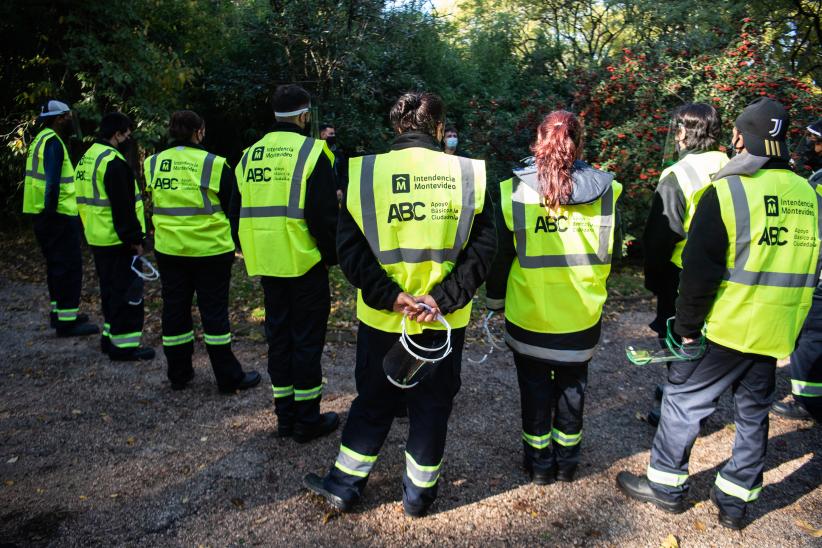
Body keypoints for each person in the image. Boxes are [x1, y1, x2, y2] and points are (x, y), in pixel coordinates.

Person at [617, 98, 821, 530]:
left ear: (742, 138)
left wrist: (686, 327)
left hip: (729, 323)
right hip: (777, 326)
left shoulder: (728, 190)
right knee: (753, 412)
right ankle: (735, 500)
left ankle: (666, 486)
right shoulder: (808, 193)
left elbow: (699, 272)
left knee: (682, 401)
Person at [303, 91, 497, 517]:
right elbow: (484, 251)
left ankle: (344, 486)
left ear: (396, 127)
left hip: (383, 318)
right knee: (433, 406)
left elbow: (348, 252)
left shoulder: (363, 172)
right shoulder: (470, 174)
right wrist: (442, 299)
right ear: (440, 128)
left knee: (373, 400)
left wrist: (391, 296)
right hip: (441, 322)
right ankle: (418, 498)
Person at [485, 110, 621, 485]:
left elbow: (500, 258)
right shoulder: (606, 190)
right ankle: (568, 462)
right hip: (581, 314)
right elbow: (614, 253)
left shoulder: (513, 190)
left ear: (538, 139)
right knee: (573, 388)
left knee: (533, 389)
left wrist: (495, 302)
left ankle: (539, 463)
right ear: (578, 141)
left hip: (530, 314)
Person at [230, 85, 339, 442]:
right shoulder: (313, 151)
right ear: (305, 116)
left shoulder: (249, 155)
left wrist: (248, 249)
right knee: (306, 341)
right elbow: (324, 217)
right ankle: (307, 420)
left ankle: (284, 417)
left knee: (279, 339)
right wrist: (330, 256)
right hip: (305, 263)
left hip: (268, 263)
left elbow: (235, 210)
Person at [143, 110, 261, 393]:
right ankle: (228, 377)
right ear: (199, 132)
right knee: (214, 314)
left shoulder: (152, 163)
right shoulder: (215, 164)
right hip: (210, 251)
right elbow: (233, 206)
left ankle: (179, 374)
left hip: (169, 249)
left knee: (175, 311)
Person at [642, 103, 729, 426]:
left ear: (684, 132)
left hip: (682, 272)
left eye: (678, 129)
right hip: (728, 271)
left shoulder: (678, 174)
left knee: (679, 338)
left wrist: (653, 279)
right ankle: (700, 397)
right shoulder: (731, 164)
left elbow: (660, 236)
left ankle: (681, 406)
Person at [75, 112, 153, 361]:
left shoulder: (87, 158)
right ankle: (125, 347)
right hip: (118, 240)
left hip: (98, 237)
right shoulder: (113, 163)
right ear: (117, 133)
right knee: (127, 294)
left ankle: (110, 338)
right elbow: (123, 207)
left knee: (109, 291)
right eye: (127, 133)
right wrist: (135, 240)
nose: (129, 138)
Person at [22, 99, 98, 337]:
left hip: (42, 214)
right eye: (65, 116)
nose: (68, 119)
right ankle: (67, 322)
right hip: (57, 216)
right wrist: (53, 212)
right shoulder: (53, 142)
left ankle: (62, 313)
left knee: (56, 266)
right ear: (57, 118)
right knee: (68, 267)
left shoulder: (40, 140)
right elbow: (53, 182)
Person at [770, 118, 822, 421]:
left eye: (815, 140)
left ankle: (808, 401)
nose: (810, 146)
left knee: (810, 336)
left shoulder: (816, 183)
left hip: (818, 278)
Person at [319, 123, 347, 199]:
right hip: (322, 193)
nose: (333, 136)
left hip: (337, 193)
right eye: (331, 134)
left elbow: (344, 174)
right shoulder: (317, 153)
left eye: (334, 134)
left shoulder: (339, 154)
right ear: (322, 134)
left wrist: (341, 189)